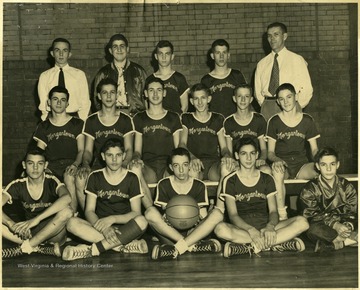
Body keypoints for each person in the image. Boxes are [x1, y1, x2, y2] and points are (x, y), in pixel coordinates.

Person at [214, 138, 309, 258]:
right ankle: (274, 243)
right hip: (243, 227)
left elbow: (273, 211)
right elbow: (233, 216)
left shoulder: (266, 178)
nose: (248, 158)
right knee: (220, 229)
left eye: (252, 153)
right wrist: (251, 230)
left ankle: (250, 246)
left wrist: (270, 226)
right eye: (244, 154)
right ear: (237, 156)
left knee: (303, 222)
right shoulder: (230, 180)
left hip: (265, 225)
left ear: (257, 155)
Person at [62, 138, 148, 261]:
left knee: (142, 220)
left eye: (118, 155)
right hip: (101, 229)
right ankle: (122, 246)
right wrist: (105, 228)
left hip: (126, 227)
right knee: (71, 223)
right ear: (103, 156)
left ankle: (91, 250)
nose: (114, 160)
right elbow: (89, 211)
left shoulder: (132, 177)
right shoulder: (95, 176)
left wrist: (112, 219)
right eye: (109, 155)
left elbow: (136, 212)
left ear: (124, 156)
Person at [145, 147, 224, 260]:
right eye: (177, 165)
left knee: (217, 214)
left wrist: (197, 219)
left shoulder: (199, 185)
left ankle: (175, 249)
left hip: (193, 231)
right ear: (171, 167)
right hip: (171, 233)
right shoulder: (164, 184)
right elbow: (165, 214)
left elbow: (202, 215)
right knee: (150, 212)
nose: (181, 170)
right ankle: (191, 246)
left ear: (189, 166)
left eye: (185, 165)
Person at [2, 148, 73, 259]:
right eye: (31, 163)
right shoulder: (17, 185)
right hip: (28, 233)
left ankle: (23, 248)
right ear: (24, 165)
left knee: (67, 211)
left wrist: (37, 219)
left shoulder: (52, 181)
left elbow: (67, 198)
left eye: (40, 163)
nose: (35, 168)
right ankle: (37, 247)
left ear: (45, 165)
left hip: (54, 233)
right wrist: (10, 223)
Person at [76, 78, 133, 210]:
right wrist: (85, 164)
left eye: (112, 92)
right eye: (105, 93)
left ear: (117, 95)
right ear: (99, 96)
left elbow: (129, 149)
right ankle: (89, 216)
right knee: (80, 178)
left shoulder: (125, 120)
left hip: (121, 162)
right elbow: (88, 151)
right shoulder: (91, 120)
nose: (108, 96)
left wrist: (122, 165)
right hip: (99, 164)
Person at [266, 83, 320, 221]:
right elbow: (270, 153)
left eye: (289, 97)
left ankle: (320, 213)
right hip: (283, 165)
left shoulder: (307, 120)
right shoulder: (274, 121)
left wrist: (320, 161)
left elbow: (314, 149)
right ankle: (282, 215)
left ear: (296, 97)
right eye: (282, 99)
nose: (286, 102)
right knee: (277, 171)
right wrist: (277, 160)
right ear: (277, 101)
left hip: (302, 165)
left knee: (321, 171)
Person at [33, 86, 84, 212]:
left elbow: (82, 151)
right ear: (49, 102)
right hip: (52, 166)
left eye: (63, 99)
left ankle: (73, 214)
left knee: (69, 176)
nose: (59, 102)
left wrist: (76, 164)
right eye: (55, 99)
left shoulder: (78, 124)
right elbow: (39, 153)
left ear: (68, 103)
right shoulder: (44, 127)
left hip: (72, 163)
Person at [299, 147, 357, 252]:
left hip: (342, 225)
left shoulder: (347, 186)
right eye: (323, 165)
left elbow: (352, 211)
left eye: (332, 164)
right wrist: (334, 225)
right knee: (312, 229)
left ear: (338, 165)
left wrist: (347, 226)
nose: (329, 169)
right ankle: (350, 241)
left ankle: (338, 244)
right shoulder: (309, 188)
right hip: (323, 225)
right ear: (317, 166)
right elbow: (311, 215)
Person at [254, 22, 313, 121]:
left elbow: (307, 90)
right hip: (268, 109)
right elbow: (258, 92)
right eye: (269, 36)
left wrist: (296, 107)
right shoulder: (261, 64)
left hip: (291, 107)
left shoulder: (297, 60)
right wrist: (266, 105)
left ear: (284, 36)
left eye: (276, 34)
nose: (272, 39)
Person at [131, 75, 183, 183]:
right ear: (145, 93)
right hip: (148, 167)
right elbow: (137, 150)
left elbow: (179, 149)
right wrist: (136, 158)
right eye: (151, 90)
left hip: (169, 167)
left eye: (159, 90)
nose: (155, 94)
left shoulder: (173, 117)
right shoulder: (139, 118)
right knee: (135, 169)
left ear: (164, 93)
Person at [179, 83, 235, 181]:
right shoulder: (186, 118)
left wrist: (226, 155)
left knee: (227, 169)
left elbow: (224, 147)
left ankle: (220, 197)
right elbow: (182, 144)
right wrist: (191, 157)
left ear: (209, 99)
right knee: (193, 171)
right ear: (191, 101)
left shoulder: (217, 118)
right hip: (195, 162)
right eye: (196, 99)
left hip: (213, 164)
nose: (200, 102)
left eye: (203, 98)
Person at [93, 33, 147, 116]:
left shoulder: (139, 71)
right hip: (111, 116)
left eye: (122, 46)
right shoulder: (103, 73)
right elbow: (96, 101)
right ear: (110, 51)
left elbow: (146, 97)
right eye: (115, 47)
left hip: (135, 116)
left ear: (127, 49)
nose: (119, 50)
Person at [38, 38, 91, 121]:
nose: (61, 54)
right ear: (52, 53)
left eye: (65, 50)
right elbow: (43, 104)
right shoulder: (45, 76)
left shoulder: (79, 75)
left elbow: (85, 102)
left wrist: (82, 122)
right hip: (52, 118)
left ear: (69, 54)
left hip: (74, 119)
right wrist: (46, 121)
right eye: (57, 50)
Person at [223, 84, 270, 174]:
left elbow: (264, 149)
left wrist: (262, 159)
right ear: (234, 99)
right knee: (231, 170)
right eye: (240, 96)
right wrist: (234, 162)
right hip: (238, 162)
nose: (243, 100)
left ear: (251, 99)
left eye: (247, 96)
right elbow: (229, 151)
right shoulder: (229, 121)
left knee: (266, 170)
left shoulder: (259, 119)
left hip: (255, 161)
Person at [201, 39, 247, 118]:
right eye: (218, 53)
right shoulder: (206, 80)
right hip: (215, 123)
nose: (221, 56)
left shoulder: (237, 75)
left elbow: (246, 99)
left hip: (235, 122)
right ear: (212, 56)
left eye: (224, 52)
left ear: (228, 55)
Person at [149, 40, 189, 114]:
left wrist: (177, 121)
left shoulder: (179, 78)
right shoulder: (150, 79)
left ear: (172, 56)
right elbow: (147, 106)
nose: (164, 57)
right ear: (156, 56)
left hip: (174, 122)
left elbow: (185, 107)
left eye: (167, 54)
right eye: (161, 54)